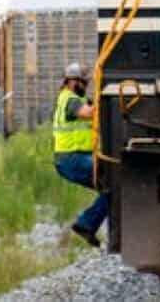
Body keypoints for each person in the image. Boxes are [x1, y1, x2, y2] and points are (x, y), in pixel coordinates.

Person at [52, 61, 108, 247]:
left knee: (112, 189)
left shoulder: (75, 98)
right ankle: (86, 224)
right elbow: (86, 113)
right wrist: (107, 102)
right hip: (71, 158)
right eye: (83, 83)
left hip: (75, 158)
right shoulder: (70, 99)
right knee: (115, 184)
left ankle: (90, 225)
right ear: (72, 81)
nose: (85, 86)